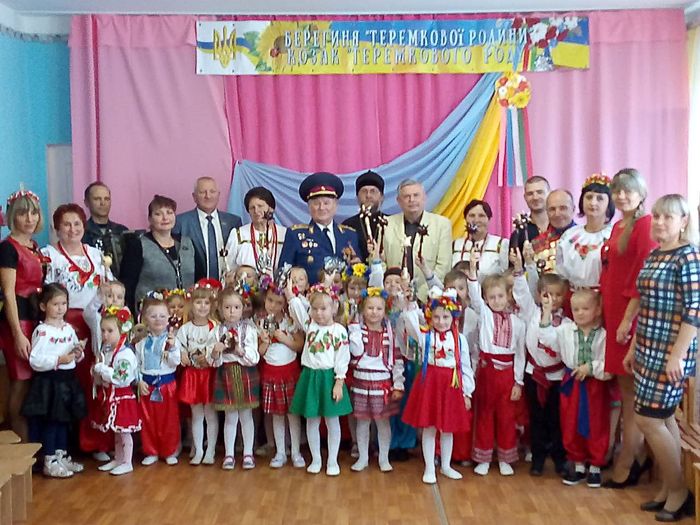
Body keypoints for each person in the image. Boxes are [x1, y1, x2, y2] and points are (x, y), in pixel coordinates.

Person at [624, 194, 699, 521]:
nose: (660, 222)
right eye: (657, 216)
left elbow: (694, 311)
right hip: (647, 347)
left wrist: (677, 357)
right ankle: (670, 487)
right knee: (664, 417)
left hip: (671, 351)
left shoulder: (689, 256)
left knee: (649, 420)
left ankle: (680, 491)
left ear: (683, 222)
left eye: (668, 217)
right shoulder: (655, 255)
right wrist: (633, 348)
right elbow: (646, 304)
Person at [41, 203, 113, 456]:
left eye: (77, 224)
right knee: (73, 384)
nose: (72, 229)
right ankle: (70, 444)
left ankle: (98, 441)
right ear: (56, 228)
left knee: (97, 380)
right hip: (65, 324)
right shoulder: (49, 255)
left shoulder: (96, 254)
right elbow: (46, 293)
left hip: (96, 324)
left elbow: (109, 287)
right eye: (66, 224)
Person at [600, 169, 656, 489]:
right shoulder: (618, 225)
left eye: (628, 190)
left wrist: (626, 320)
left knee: (631, 393)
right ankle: (636, 455)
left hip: (628, 316)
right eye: (617, 190)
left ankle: (628, 462)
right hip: (613, 313)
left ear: (641, 193)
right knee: (624, 392)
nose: (622, 196)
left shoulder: (645, 225)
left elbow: (641, 278)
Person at [400, 286, 473, 484]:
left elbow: (465, 366)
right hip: (430, 385)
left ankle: (446, 466)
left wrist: (467, 392)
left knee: (448, 428)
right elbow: (411, 323)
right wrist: (410, 303)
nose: (441, 322)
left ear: (454, 317)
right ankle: (430, 467)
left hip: (451, 386)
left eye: (445, 317)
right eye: (437, 317)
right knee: (430, 428)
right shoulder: (426, 336)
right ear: (430, 317)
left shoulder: (459, 339)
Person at [540, 289, 611, 488]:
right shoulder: (565, 331)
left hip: (595, 385)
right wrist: (547, 312)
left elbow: (608, 363)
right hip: (572, 383)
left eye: (585, 308)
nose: (580, 313)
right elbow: (547, 339)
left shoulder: (604, 335)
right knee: (570, 422)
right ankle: (578, 464)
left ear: (597, 310)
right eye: (576, 309)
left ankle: (595, 466)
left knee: (597, 423)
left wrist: (591, 368)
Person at [467, 248, 526, 476]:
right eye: (491, 297)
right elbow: (474, 296)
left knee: (506, 417)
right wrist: (473, 270)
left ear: (508, 296)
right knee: (484, 414)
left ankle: (505, 458)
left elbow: (520, 354)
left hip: (507, 375)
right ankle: (483, 457)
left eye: (500, 296)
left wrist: (518, 382)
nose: (497, 301)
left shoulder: (518, 323)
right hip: (487, 372)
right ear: (485, 299)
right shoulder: (484, 315)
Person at [511, 251, 568, 477]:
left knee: (556, 419)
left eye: (557, 295)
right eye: (547, 295)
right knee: (536, 419)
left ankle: (560, 459)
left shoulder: (566, 323)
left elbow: (558, 346)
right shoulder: (531, 313)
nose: (552, 299)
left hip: (556, 376)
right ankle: (538, 458)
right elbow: (521, 293)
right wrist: (519, 269)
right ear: (539, 294)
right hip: (533, 374)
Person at [287, 281, 352, 476]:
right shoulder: (310, 326)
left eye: (323, 309)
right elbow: (297, 309)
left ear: (334, 307)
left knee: (332, 421)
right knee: (312, 420)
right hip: (310, 377)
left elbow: (342, 357)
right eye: (314, 309)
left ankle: (332, 460)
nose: (319, 313)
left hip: (329, 378)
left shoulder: (339, 330)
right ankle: (316, 459)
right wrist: (291, 295)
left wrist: (339, 382)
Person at [21, 283, 87, 478]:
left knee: (64, 421)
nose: (60, 308)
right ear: (43, 306)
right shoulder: (42, 331)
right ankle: (49, 459)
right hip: (50, 384)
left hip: (68, 381)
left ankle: (61, 455)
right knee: (52, 422)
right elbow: (35, 360)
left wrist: (78, 354)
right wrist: (58, 360)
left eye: (63, 304)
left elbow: (74, 355)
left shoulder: (68, 329)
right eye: (55, 304)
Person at [0, 189, 45, 441]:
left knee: (32, 384)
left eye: (34, 213)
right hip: (19, 322)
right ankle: (19, 443)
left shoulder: (35, 247)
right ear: (12, 216)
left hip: (36, 320)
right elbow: (8, 293)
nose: (29, 218)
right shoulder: (8, 248)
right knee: (20, 381)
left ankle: (32, 445)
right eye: (23, 213)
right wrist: (17, 334)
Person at [348, 287, 405, 473]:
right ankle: (363, 457)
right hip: (361, 382)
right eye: (370, 308)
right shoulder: (358, 331)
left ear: (385, 310)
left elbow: (397, 360)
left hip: (382, 383)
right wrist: (354, 328)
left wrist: (398, 383)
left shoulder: (391, 334)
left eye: (379, 308)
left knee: (383, 423)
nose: (374, 312)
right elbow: (355, 351)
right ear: (363, 309)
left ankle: (384, 458)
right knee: (362, 422)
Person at [278, 172, 361, 284]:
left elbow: (359, 272)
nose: (322, 208)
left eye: (326, 203)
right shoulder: (295, 235)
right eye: (316, 203)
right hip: (309, 294)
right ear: (309, 206)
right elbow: (283, 273)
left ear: (336, 205)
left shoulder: (350, 235)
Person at [257, 276, 305, 469]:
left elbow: (299, 346)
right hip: (271, 374)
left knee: (292, 414)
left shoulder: (290, 321)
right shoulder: (260, 322)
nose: (273, 306)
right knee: (277, 415)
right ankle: (280, 451)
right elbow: (259, 353)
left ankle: (296, 451)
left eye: (278, 302)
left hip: (289, 372)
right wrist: (265, 341)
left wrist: (285, 339)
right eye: (270, 300)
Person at [120, 195, 196, 313]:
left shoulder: (188, 243)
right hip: (153, 315)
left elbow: (199, 278)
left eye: (169, 212)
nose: (165, 218)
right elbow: (127, 285)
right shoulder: (137, 245)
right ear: (150, 219)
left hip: (186, 313)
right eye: (158, 214)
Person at [212, 287, 260, 471]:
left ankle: (248, 453)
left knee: (246, 416)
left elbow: (254, 357)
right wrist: (216, 352)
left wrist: (241, 352)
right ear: (220, 309)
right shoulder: (217, 331)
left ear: (243, 308)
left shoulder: (249, 330)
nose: (232, 311)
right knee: (230, 416)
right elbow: (213, 361)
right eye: (227, 307)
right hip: (225, 374)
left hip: (245, 373)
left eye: (236, 307)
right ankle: (229, 454)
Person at [383, 179, 452, 301]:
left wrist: (419, 295)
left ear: (424, 197)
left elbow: (443, 266)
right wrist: (391, 290)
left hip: (429, 297)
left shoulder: (442, 224)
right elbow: (381, 261)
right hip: (393, 297)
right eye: (407, 196)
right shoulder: (386, 224)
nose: (412, 200)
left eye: (416, 195)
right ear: (399, 201)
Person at [92, 306, 141, 475]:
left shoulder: (125, 354)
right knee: (117, 431)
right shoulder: (108, 351)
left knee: (124, 431)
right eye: (103, 330)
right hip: (112, 396)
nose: (105, 335)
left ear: (122, 331)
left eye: (110, 331)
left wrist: (102, 369)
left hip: (123, 397)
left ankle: (127, 461)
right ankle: (119, 458)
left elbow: (121, 378)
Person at [176, 282, 220, 465]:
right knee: (196, 414)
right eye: (198, 302)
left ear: (212, 305)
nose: (202, 306)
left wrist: (209, 355)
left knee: (210, 413)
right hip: (193, 376)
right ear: (191, 304)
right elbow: (178, 346)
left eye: (206, 303)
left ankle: (210, 450)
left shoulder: (215, 327)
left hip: (209, 374)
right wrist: (182, 354)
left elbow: (218, 345)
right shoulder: (185, 329)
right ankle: (199, 450)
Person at [134, 296, 181, 466]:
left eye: (162, 316)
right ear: (145, 318)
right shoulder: (141, 344)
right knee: (148, 420)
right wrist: (139, 381)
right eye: (153, 316)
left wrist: (172, 348)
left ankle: (169, 450)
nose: (158, 319)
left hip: (167, 385)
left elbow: (176, 362)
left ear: (168, 318)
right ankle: (151, 450)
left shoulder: (172, 340)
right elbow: (136, 365)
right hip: (147, 385)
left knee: (169, 420)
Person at [173, 177, 242, 281]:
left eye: (212, 192)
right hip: (193, 286)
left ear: (218, 195)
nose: (208, 196)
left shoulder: (233, 222)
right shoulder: (180, 222)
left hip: (227, 286)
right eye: (202, 192)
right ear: (194, 197)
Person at [556, 174, 614, 289]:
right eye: (589, 197)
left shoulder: (614, 235)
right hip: (573, 297)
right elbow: (561, 273)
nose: (593, 203)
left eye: (600, 198)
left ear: (609, 204)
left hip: (604, 296)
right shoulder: (569, 236)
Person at [224, 187, 286, 277]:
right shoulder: (238, 235)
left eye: (260, 206)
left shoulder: (284, 235)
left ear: (271, 208)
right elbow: (228, 268)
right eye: (252, 208)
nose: (256, 211)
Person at [525, 189, 576, 292]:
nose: (557, 214)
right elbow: (533, 285)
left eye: (563, 208)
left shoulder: (584, 239)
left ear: (573, 209)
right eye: (552, 209)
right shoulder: (535, 244)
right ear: (547, 212)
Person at [452, 199, 509, 281]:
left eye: (481, 216)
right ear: (465, 218)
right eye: (472, 215)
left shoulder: (500, 244)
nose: (476, 220)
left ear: (489, 219)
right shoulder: (455, 245)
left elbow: (507, 275)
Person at [82, 182, 129, 279]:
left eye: (107, 199)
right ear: (86, 202)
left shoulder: (122, 231)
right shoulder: (80, 233)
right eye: (97, 199)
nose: (103, 203)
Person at [342, 170, 386, 261]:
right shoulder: (347, 225)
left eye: (373, 191)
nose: (368, 195)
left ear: (382, 197)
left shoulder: (390, 222)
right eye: (364, 191)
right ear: (357, 197)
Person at [509, 176, 550, 256]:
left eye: (540, 192)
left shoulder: (561, 227)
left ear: (549, 194)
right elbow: (514, 263)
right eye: (530, 194)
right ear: (525, 197)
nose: (535, 197)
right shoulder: (519, 233)